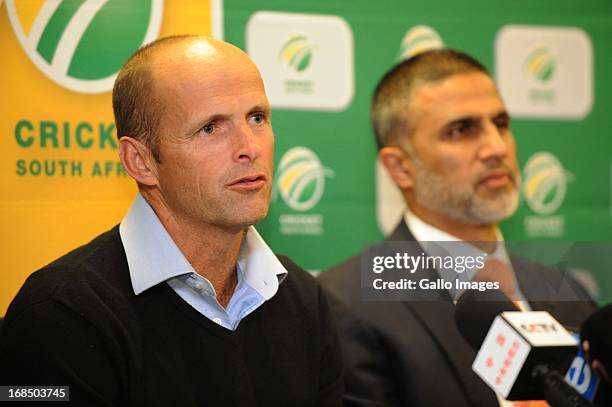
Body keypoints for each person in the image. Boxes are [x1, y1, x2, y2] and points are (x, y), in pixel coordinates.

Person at [0, 36, 343, 406]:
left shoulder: (304, 299)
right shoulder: (58, 314)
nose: (250, 147)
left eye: (257, 117)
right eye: (211, 127)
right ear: (141, 162)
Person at [318, 49, 595, 407]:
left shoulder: (568, 292)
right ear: (401, 167)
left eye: (501, 124)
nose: (496, 147)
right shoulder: (345, 303)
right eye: (462, 130)